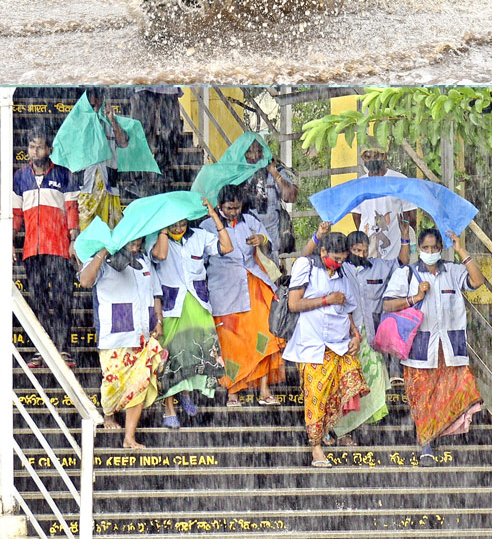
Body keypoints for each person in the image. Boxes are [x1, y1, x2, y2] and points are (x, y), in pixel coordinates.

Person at [382, 227, 485, 466]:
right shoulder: (406, 274)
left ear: (441, 249)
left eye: (434, 248)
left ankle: (442, 430)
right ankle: (426, 444)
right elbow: (387, 305)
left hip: (449, 348)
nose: (430, 252)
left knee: (459, 390)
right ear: (420, 249)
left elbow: (477, 281)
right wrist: (415, 298)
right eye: (426, 248)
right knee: (422, 398)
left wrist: (461, 250)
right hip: (418, 349)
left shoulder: (453, 271)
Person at [299, 224, 393, 444]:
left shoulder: (371, 268)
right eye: (355, 251)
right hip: (330, 338)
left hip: (360, 334)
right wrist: (318, 235)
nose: (360, 255)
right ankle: (336, 430)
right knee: (338, 387)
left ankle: (348, 428)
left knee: (373, 380)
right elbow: (304, 259)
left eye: (364, 250)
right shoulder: (335, 269)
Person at [283, 230, 368, 467]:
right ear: (323, 252)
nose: (339, 263)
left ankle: (328, 426)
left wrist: (356, 335)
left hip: (339, 344)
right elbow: (293, 304)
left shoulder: (344, 274)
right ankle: (316, 447)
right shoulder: (306, 267)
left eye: (343, 259)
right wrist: (325, 300)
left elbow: (350, 308)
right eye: (335, 259)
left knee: (350, 382)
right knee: (316, 397)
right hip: (312, 345)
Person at [78, 236, 167, 448]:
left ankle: (129, 437)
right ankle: (109, 415)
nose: (135, 248)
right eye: (131, 245)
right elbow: (85, 281)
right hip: (115, 335)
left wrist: (159, 319)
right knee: (113, 383)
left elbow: (155, 293)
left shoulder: (144, 261)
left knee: (140, 383)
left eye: (138, 244)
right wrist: (103, 252)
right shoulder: (105, 261)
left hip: (143, 334)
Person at [202, 183, 285, 408]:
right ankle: (233, 392)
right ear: (219, 206)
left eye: (237, 208)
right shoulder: (207, 227)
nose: (233, 212)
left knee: (265, 337)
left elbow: (271, 246)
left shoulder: (251, 222)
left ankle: (264, 390)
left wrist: (262, 242)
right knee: (231, 343)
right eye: (229, 208)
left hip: (255, 285)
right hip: (224, 290)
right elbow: (200, 261)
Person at [151, 198, 228, 429]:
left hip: (197, 303)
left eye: (182, 223)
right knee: (170, 356)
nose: (178, 228)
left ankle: (185, 392)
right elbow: (161, 256)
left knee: (195, 351)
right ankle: (169, 408)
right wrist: (163, 229)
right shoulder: (155, 238)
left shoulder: (199, 236)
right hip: (171, 306)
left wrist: (215, 216)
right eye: (173, 224)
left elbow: (226, 248)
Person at [11, 129, 81, 368]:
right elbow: (15, 214)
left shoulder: (64, 175)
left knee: (62, 299)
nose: (35, 151)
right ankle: (42, 349)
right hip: (32, 250)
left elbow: (72, 209)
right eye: (32, 147)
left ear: (50, 150)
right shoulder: (20, 177)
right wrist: (11, 241)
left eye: (40, 147)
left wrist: (73, 240)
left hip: (60, 249)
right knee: (38, 301)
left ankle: (63, 350)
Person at [351, 144, 417, 262]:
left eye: (377, 156)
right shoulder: (358, 185)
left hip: (397, 249)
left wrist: (404, 239)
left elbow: (410, 217)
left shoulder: (399, 181)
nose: (372, 160)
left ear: (385, 156)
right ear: (363, 159)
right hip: (368, 251)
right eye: (367, 156)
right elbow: (357, 217)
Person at [77, 88, 131, 231]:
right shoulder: (78, 124)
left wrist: (112, 121)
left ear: (102, 102)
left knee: (110, 232)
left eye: (96, 106)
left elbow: (124, 143)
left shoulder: (110, 122)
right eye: (91, 107)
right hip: (86, 188)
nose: (94, 111)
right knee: (86, 232)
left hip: (109, 186)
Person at [241, 137, 299, 255]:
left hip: (271, 240)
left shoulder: (273, 171)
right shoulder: (238, 172)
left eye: (258, 151)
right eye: (250, 152)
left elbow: (290, 197)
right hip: (244, 239)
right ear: (244, 154)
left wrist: (274, 173)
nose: (255, 156)